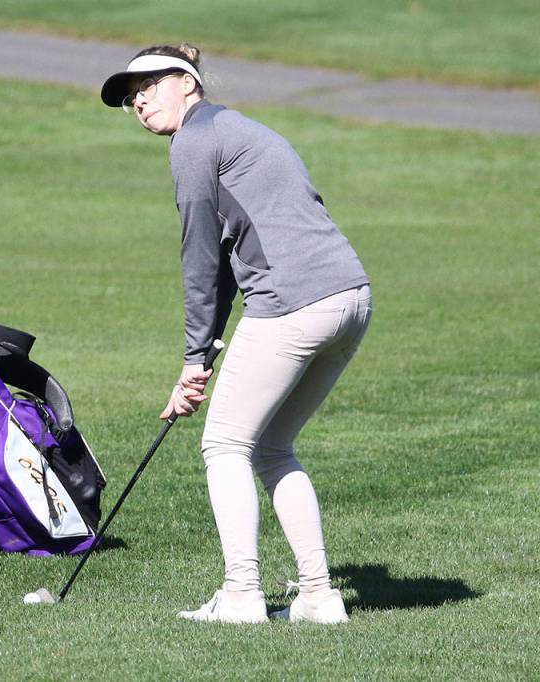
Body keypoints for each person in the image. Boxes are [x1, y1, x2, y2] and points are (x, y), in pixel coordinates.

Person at [101, 44, 372, 624]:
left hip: (293, 304)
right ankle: (320, 597)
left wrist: (195, 357)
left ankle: (243, 595)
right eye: (131, 96)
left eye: (148, 84)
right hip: (349, 297)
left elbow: (200, 259)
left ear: (187, 83)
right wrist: (201, 357)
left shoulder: (195, 142)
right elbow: (230, 257)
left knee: (224, 445)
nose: (139, 99)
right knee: (272, 446)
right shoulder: (244, 130)